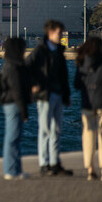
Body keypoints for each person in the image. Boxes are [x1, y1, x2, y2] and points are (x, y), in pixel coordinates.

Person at [25, 20, 73, 176]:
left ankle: (54, 162)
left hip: (58, 93)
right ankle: (44, 163)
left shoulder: (59, 50)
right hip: (45, 95)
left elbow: (64, 74)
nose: (61, 36)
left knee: (57, 129)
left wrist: (66, 94)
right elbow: (27, 66)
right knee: (45, 129)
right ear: (50, 32)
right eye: (59, 33)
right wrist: (33, 84)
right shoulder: (40, 50)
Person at [74, 37, 102, 181]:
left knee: (88, 136)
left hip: (88, 104)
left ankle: (90, 169)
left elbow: (76, 84)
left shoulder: (81, 63)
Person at [0, 37, 31, 180]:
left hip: (11, 103)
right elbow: (17, 90)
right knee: (12, 138)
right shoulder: (13, 66)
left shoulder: (9, 64)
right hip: (14, 104)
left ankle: (16, 169)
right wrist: (24, 110)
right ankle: (10, 170)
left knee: (15, 137)